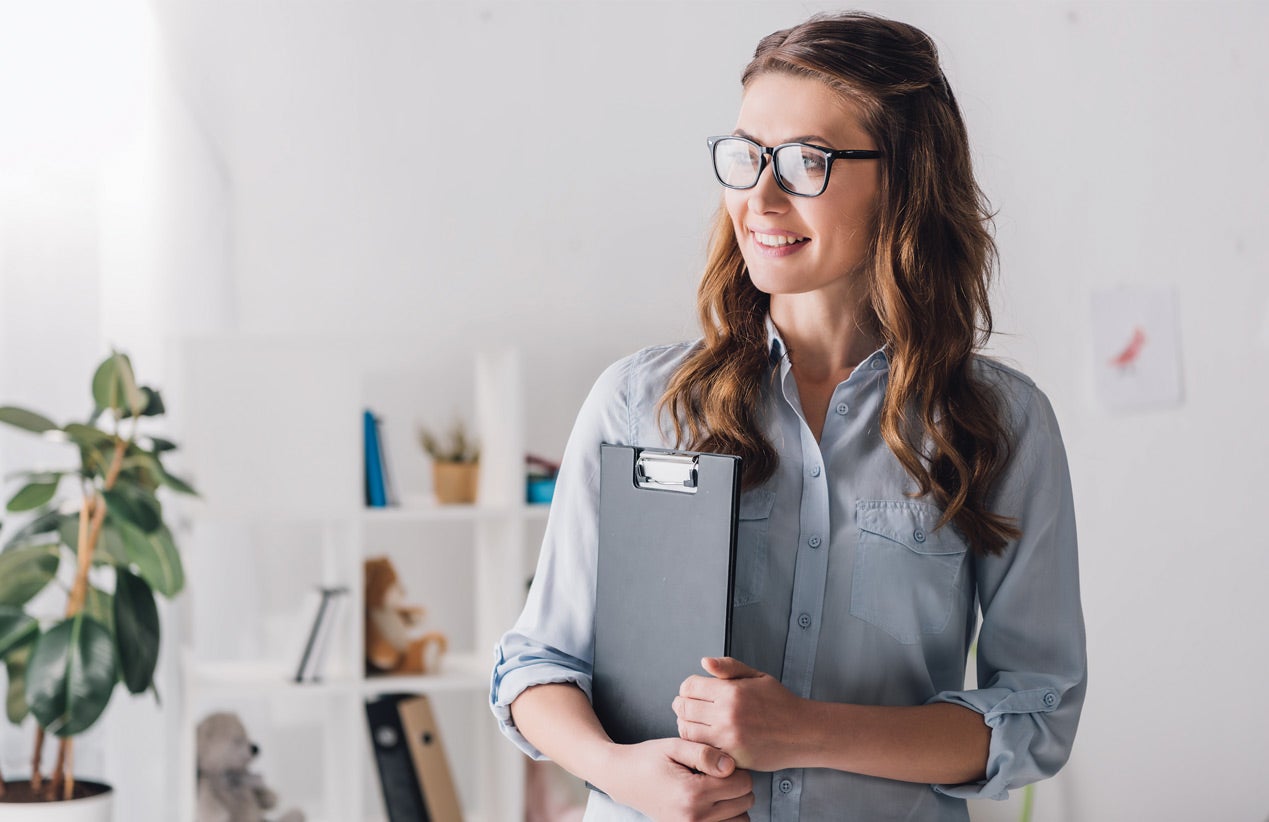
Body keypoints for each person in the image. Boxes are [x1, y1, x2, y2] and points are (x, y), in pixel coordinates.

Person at [490, 11, 1086, 821]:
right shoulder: (638, 403)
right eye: (744, 157)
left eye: (807, 160)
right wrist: (619, 771)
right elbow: (536, 664)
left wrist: (805, 731)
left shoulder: (999, 424)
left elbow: (1035, 712)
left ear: (904, 179)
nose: (760, 197)